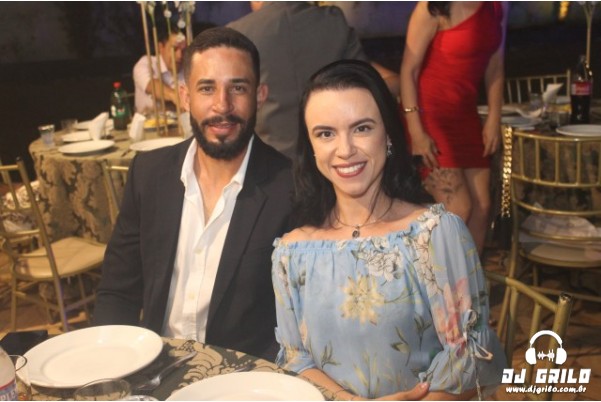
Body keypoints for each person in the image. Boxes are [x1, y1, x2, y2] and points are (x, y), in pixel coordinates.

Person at [271, 60, 506, 399]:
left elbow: (471, 356)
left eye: (362, 128)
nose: (345, 150)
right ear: (311, 148)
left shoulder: (435, 234)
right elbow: (296, 360)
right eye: (325, 134)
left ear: (389, 135)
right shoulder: (291, 253)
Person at [94, 27, 294, 361]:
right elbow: (118, 292)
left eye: (238, 88)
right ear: (185, 97)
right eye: (207, 88)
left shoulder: (290, 187)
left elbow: (298, 322)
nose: (222, 105)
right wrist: (108, 369)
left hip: (241, 375)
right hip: (153, 366)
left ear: (259, 95)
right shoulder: (148, 174)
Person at [400, 2, 508, 255]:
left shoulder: (496, 6)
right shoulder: (433, 7)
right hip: (429, 116)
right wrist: (416, 131)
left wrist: (494, 117)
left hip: (466, 116)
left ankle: (469, 279)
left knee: (482, 208)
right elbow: (409, 71)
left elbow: (495, 66)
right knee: (459, 208)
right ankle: (439, 277)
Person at [228, 1, 400, 159]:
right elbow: (366, 84)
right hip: (331, 157)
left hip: (266, 163)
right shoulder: (333, 21)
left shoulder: (236, 35)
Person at [133, 28, 187, 113]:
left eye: (184, 50)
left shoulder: (187, 68)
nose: (179, 55)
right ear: (160, 47)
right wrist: (174, 96)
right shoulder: (146, 63)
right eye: (175, 49)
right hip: (149, 120)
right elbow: (151, 85)